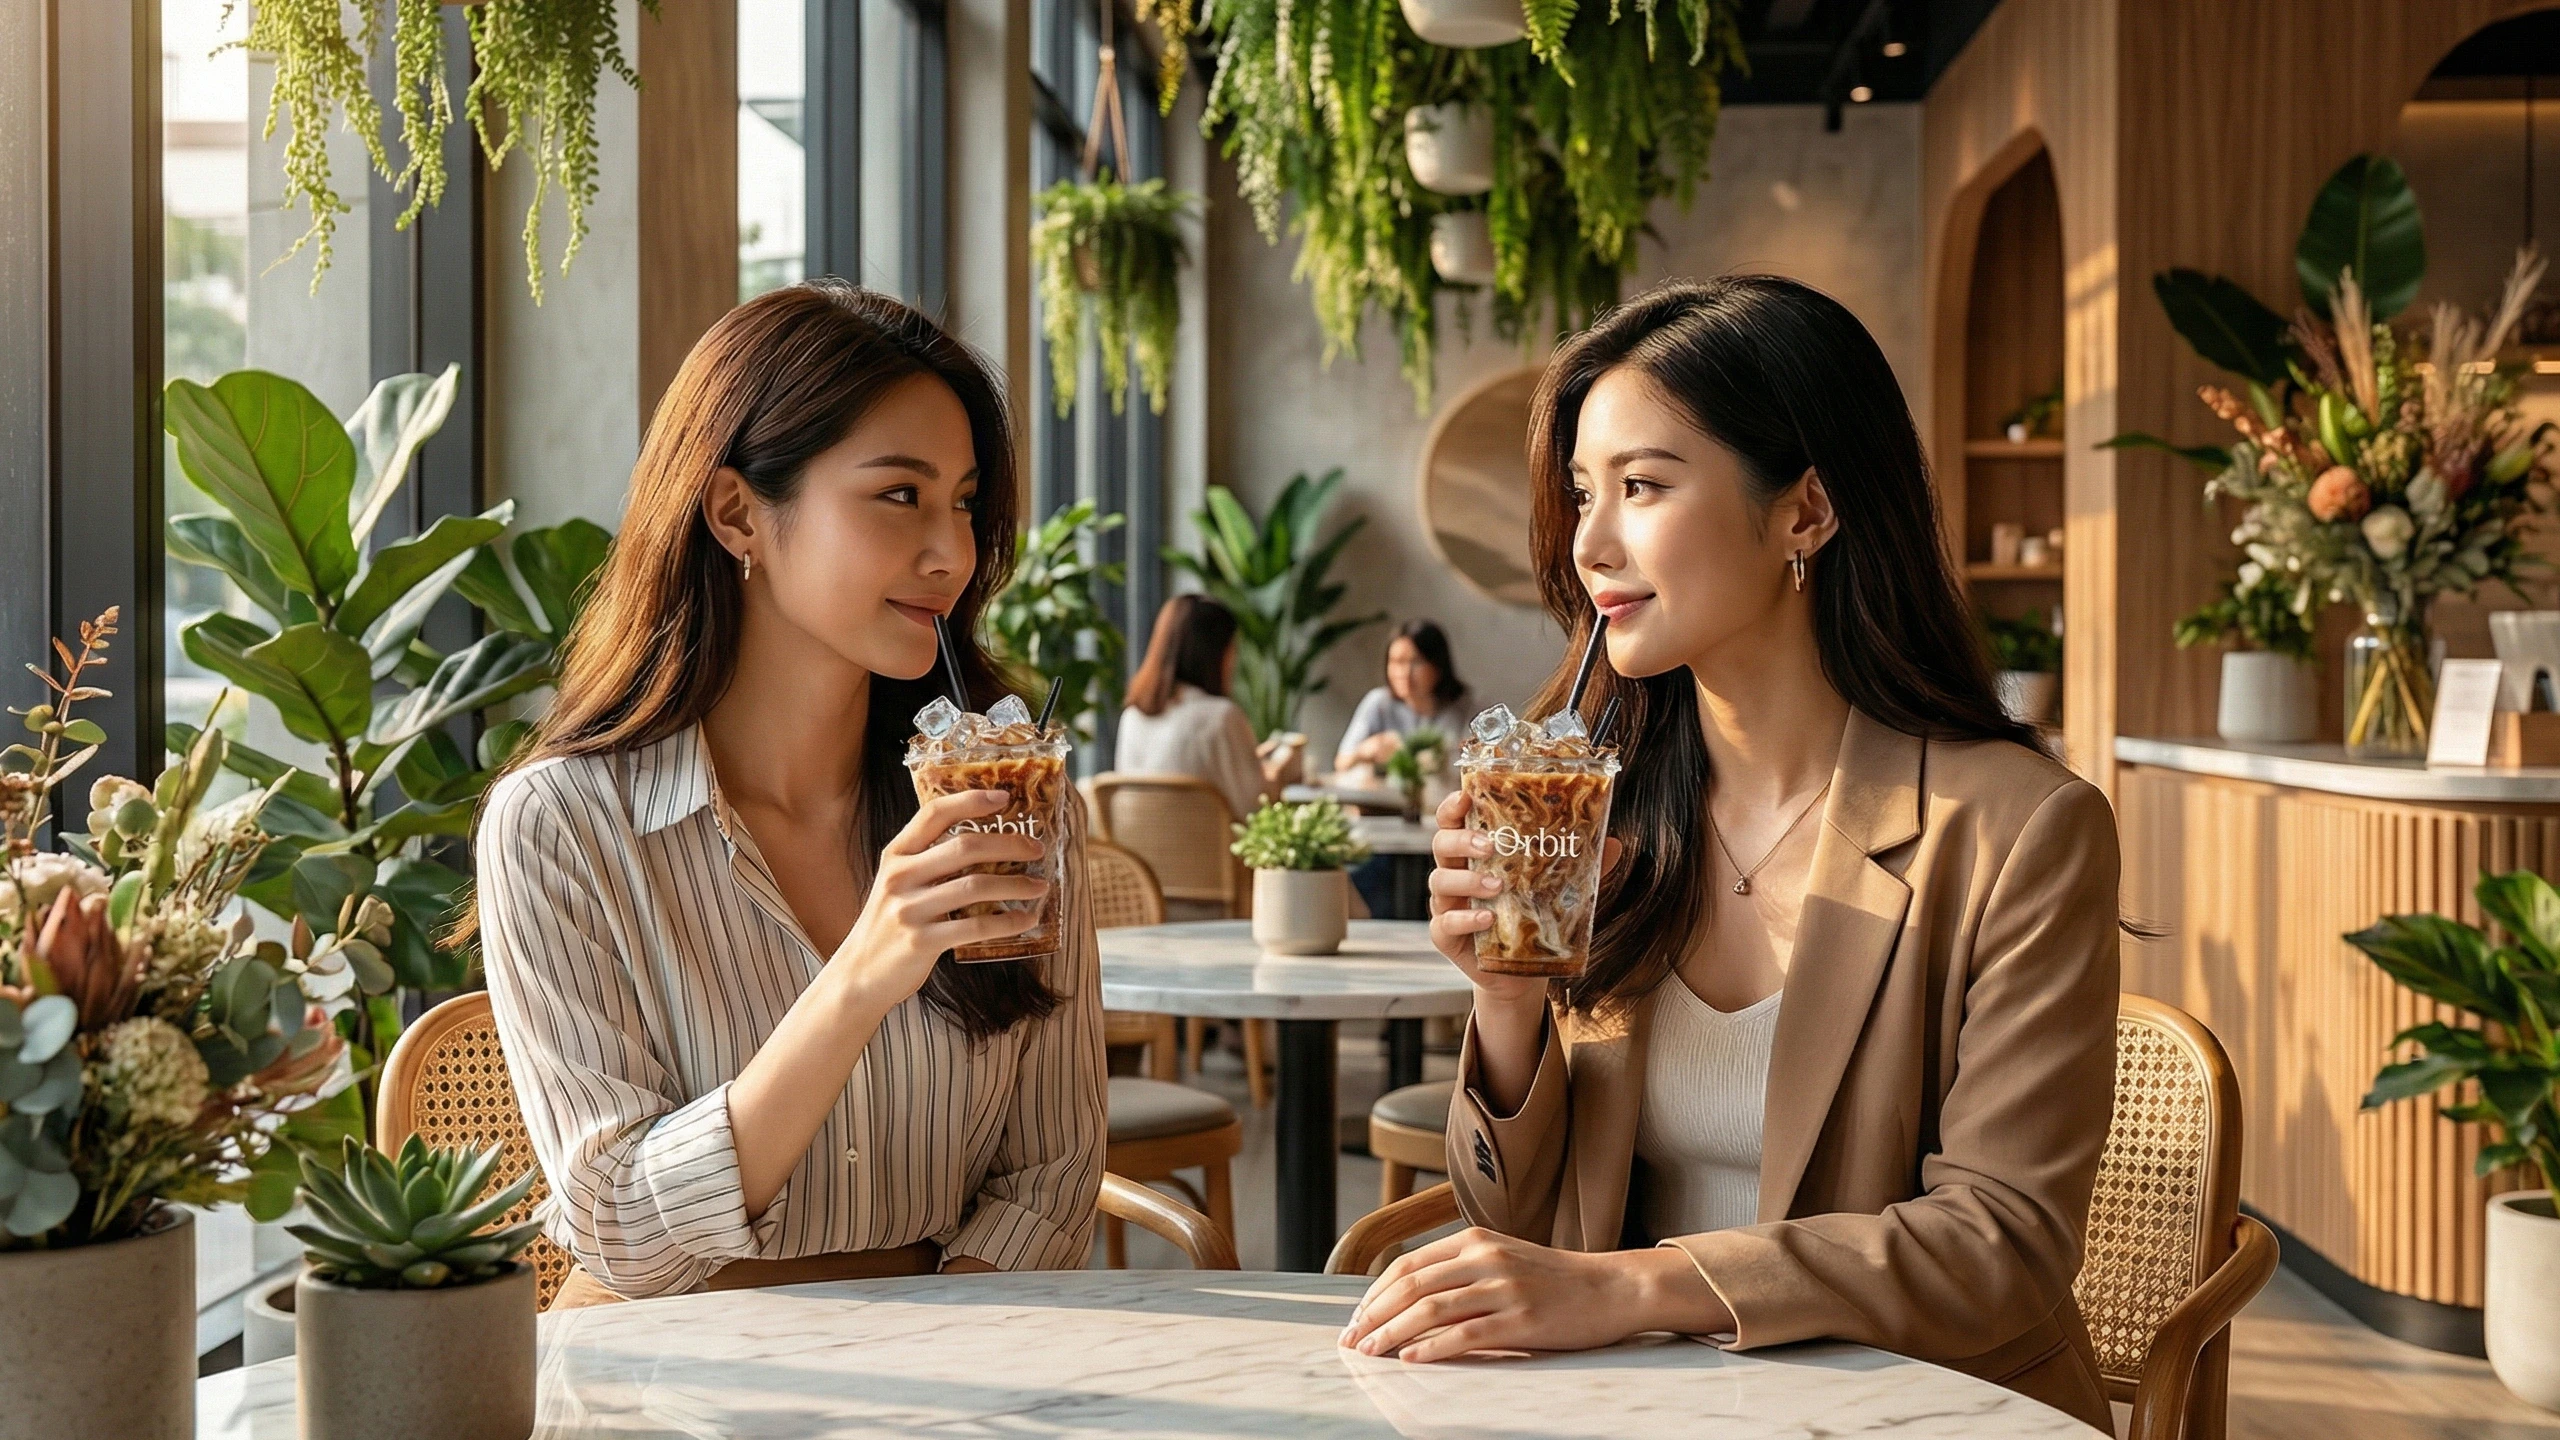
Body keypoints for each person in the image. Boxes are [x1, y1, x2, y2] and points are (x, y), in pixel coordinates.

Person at [1340, 276, 2120, 1433]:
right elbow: (1511, 1219)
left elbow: (1999, 1246)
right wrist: (1507, 1006)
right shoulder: (1590, 813)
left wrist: (1627, 1289)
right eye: (1581, 493)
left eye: (1643, 487)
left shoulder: (2017, 829)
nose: (1590, 544)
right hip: (1629, 1409)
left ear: (1806, 511)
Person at [471, 281, 1105, 1305]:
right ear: (736, 514)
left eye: (964, 501)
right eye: (899, 495)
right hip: (665, 1385)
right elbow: (622, 1231)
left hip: (952, 1376)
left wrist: (942, 1380)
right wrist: (860, 977)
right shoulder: (561, 828)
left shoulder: (1009, 805)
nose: (951, 552)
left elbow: (1049, 1181)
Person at [1114, 594, 1291, 822]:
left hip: (1136, 856)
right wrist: (1277, 775)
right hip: (1213, 857)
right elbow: (1256, 810)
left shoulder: (1133, 716)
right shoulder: (1222, 716)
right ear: (1218, 653)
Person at [1334, 620, 1477, 776]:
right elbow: (1341, 762)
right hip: (1384, 797)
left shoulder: (1467, 707)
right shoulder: (1378, 702)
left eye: (1416, 662)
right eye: (1397, 662)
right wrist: (1365, 751)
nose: (1405, 673)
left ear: (1438, 665)